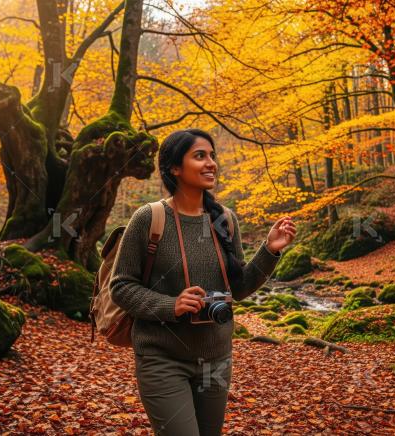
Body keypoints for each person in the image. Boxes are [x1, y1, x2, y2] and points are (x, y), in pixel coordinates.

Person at [109, 128, 296, 435]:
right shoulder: (149, 218)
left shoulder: (225, 219)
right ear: (174, 168)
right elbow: (121, 286)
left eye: (212, 156)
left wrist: (269, 251)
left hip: (216, 360)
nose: (211, 163)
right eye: (200, 156)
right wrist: (172, 305)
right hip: (162, 359)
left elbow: (239, 288)